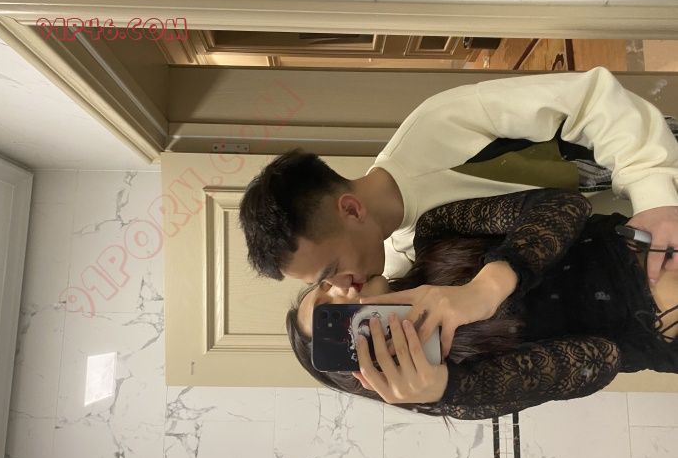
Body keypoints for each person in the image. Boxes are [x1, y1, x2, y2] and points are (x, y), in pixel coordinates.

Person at [240, 67, 678, 357]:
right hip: (646, 276)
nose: (343, 288)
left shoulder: (438, 127)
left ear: (351, 209)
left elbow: (591, 100)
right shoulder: (402, 266)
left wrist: (654, 196)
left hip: (662, 182)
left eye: (331, 271)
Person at [285, 188, 678, 420]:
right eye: (331, 317)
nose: (340, 291)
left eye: (324, 290)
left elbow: (565, 205)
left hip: (664, 240)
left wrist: (488, 287)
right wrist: (447, 389)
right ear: (361, 363)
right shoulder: (460, 389)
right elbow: (601, 358)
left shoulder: (435, 233)